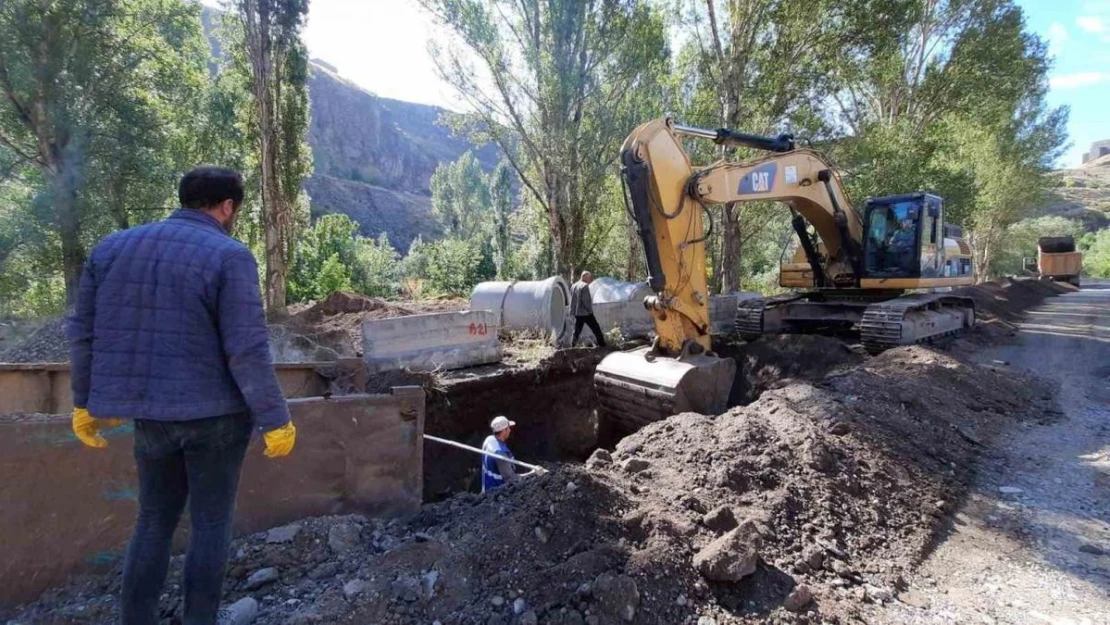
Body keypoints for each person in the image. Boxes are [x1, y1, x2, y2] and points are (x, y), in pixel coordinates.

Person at [67, 166, 297, 625]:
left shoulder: (110, 249)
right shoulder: (229, 256)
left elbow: (83, 333)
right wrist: (275, 418)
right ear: (228, 207)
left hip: (150, 414)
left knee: (153, 520)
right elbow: (246, 347)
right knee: (211, 523)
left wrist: (83, 402)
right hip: (216, 417)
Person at [481, 416, 520, 493]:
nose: (510, 430)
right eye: (508, 428)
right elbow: (511, 479)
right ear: (504, 431)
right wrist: (532, 474)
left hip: (486, 489)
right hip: (497, 495)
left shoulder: (489, 440)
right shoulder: (500, 454)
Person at [570, 271, 606, 348]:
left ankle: (572, 346)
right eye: (589, 277)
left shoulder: (573, 286)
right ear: (585, 277)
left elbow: (572, 300)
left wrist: (573, 311)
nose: (590, 279)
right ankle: (602, 345)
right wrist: (590, 311)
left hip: (577, 313)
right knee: (596, 328)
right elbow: (586, 301)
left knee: (576, 331)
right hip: (586, 313)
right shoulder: (584, 286)